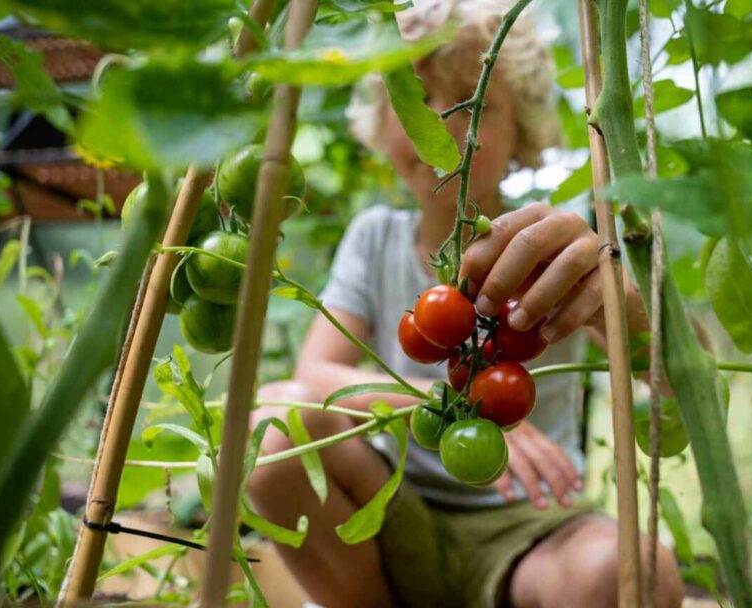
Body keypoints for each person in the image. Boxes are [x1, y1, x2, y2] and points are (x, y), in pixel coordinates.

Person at [247, 1, 684, 606]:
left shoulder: (553, 252)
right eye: (418, 99)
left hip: (530, 529)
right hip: (387, 514)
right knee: (270, 432)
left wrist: (619, 307)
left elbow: (677, 391)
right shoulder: (373, 237)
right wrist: (429, 401)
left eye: (476, 100)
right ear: (383, 120)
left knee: (636, 571)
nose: (449, 122)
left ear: (523, 128)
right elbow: (314, 377)